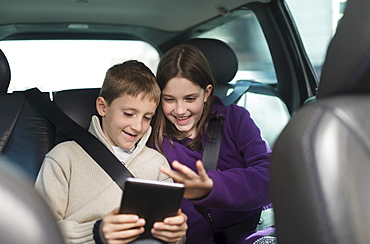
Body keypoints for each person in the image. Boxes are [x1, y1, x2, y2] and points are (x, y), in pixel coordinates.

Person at [35, 60, 187, 244]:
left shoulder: (157, 164)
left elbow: (172, 234)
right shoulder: (63, 157)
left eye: (147, 118)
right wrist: (96, 232)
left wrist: (175, 235)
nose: (138, 126)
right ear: (103, 107)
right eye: (129, 114)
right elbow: (38, 228)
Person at [149, 45, 274, 243]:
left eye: (190, 98)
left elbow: (269, 177)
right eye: (169, 99)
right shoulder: (156, 143)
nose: (180, 110)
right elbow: (179, 211)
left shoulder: (235, 119)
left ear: (207, 93)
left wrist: (213, 187)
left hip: (260, 229)